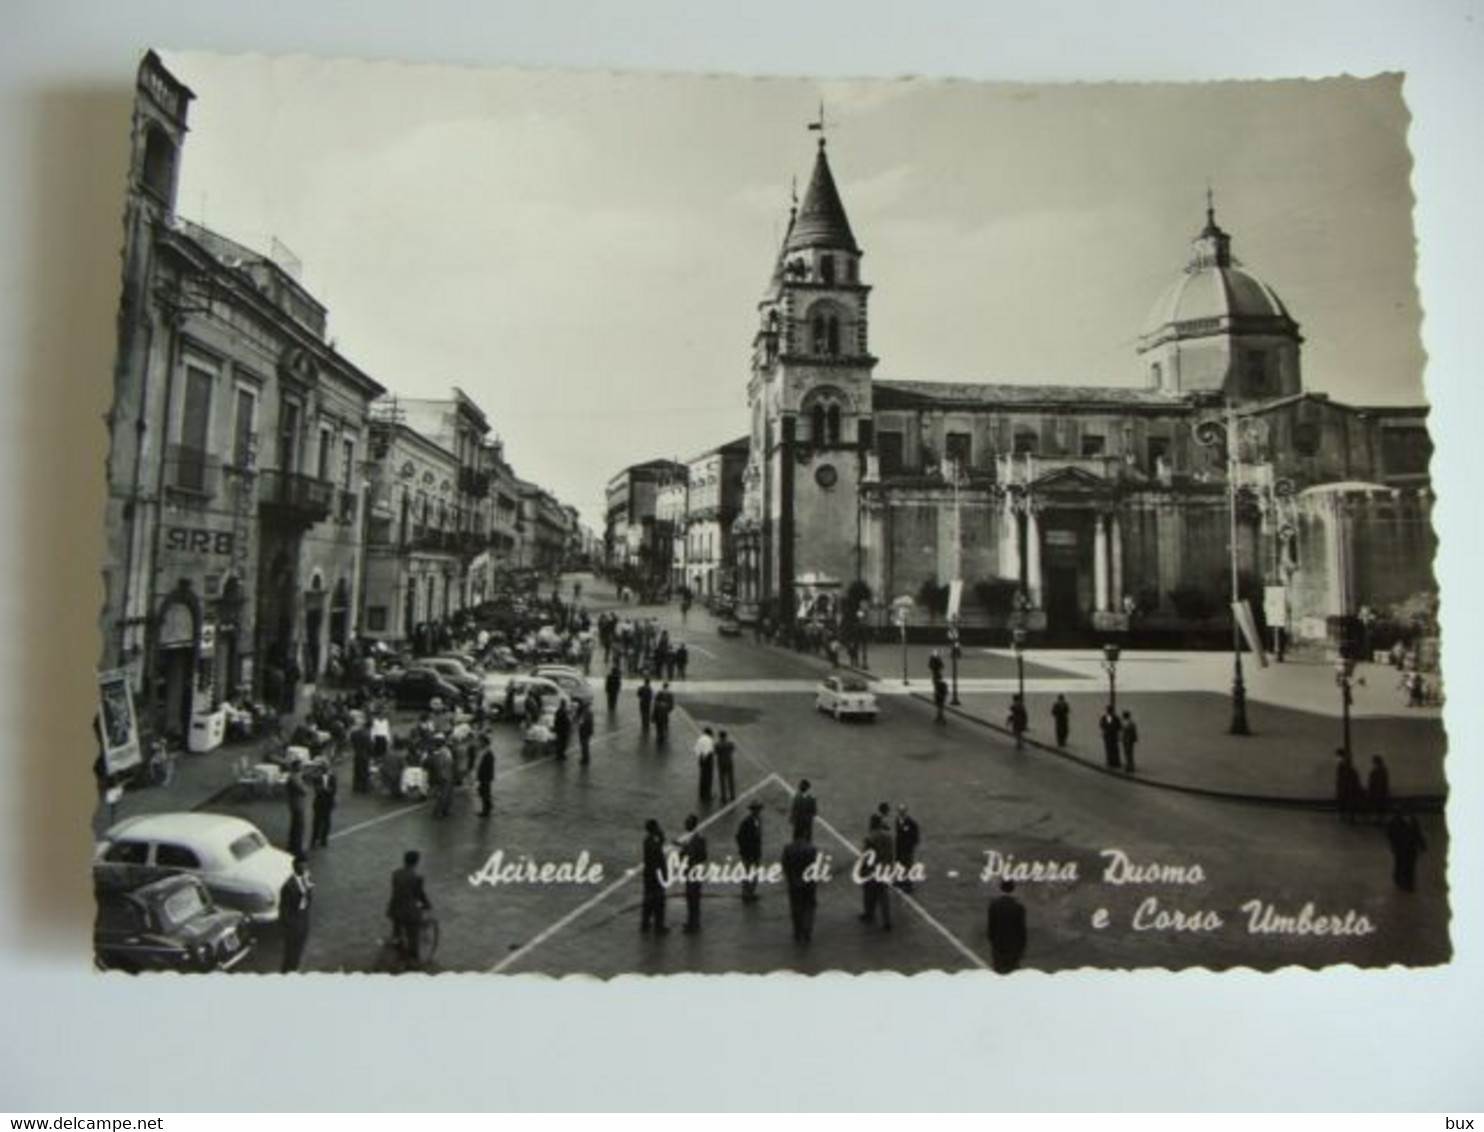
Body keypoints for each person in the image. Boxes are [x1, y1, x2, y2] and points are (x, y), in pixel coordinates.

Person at [387, 850, 433, 966]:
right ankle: (413, 960)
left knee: (397, 930)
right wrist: (427, 905)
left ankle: (397, 947)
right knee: (413, 935)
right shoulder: (417, 878)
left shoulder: (395, 873)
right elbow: (419, 895)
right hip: (408, 912)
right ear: (416, 862)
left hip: (394, 908)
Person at [781, 831, 820, 943]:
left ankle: (797, 929)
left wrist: (789, 877)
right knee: (809, 906)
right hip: (809, 882)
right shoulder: (811, 849)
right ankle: (807, 928)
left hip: (794, 882)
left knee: (796, 906)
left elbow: (785, 864)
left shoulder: (788, 848)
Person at [858, 814, 895, 929]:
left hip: (872, 869)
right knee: (883, 895)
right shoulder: (888, 837)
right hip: (885, 868)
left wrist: (861, 870)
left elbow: (866, 856)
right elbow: (891, 854)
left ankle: (869, 913)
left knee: (869, 892)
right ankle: (887, 921)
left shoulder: (870, 838)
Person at [279, 855, 313, 973]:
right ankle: (285, 973)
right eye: (302, 865)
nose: (305, 867)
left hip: (303, 920)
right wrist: (289, 927)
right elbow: (284, 910)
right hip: (293, 924)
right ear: (295, 867)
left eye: (306, 864)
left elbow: (308, 897)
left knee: (298, 951)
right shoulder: (288, 886)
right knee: (290, 953)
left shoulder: (306, 878)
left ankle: (293, 970)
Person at [987, 879, 1028, 974]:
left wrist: (993, 942)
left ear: (1001, 889)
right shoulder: (1018, 906)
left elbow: (991, 927)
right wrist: (1022, 948)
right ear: (1013, 890)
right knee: (1013, 973)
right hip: (1014, 946)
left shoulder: (994, 905)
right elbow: (1022, 930)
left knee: (998, 973)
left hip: (999, 945)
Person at [678, 814, 708, 934]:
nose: (686, 825)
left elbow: (701, 855)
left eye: (688, 823)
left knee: (693, 898)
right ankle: (692, 922)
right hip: (690, 871)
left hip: (694, 872)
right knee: (691, 898)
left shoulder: (698, 839)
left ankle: (694, 924)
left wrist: (688, 854)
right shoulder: (691, 838)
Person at [640, 819, 670, 935]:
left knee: (648, 900)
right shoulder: (652, 843)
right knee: (658, 901)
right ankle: (659, 926)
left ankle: (645, 923)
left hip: (649, 875)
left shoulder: (648, 841)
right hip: (655, 876)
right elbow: (657, 856)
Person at [1386, 808, 1427, 892]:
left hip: (1411, 848)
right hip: (1400, 848)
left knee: (1410, 866)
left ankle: (1409, 884)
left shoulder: (1414, 820)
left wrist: (1422, 845)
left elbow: (1417, 833)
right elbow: (1391, 836)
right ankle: (1399, 879)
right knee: (1401, 864)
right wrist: (1393, 846)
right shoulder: (1394, 822)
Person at [736, 801, 764, 903]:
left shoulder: (758, 820)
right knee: (748, 872)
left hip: (755, 851)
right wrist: (744, 849)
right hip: (748, 852)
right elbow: (739, 836)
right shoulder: (747, 822)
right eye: (756, 810)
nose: (758, 812)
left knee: (754, 873)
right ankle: (746, 893)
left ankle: (751, 892)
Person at [309, 760, 337, 848]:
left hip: (328, 802)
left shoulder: (332, 777)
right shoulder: (317, 777)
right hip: (319, 802)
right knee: (316, 821)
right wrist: (324, 789)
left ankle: (324, 839)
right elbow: (316, 788)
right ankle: (314, 839)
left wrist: (327, 790)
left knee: (327, 821)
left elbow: (334, 789)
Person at [894, 804, 921, 892]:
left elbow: (915, 836)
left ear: (905, 812)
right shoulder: (897, 820)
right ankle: (899, 881)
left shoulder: (911, 823)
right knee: (899, 863)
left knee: (907, 865)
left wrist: (911, 845)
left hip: (907, 848)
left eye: (902, 811)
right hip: (899, 847)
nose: (901, 813)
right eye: (899, 811)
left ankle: (909, 885)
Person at [285, 759, 308, 858]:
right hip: (298, 805)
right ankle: (297, 849)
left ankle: (292, 845)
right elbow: (304, 790)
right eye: (300, 766)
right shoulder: (295, 778)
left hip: (295, 804)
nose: (302, 767)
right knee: (299, 827)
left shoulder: (293, 777)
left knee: (295, 826)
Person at [1335, 751, 1363, 824]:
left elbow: (1341, 776)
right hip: (1347, 787)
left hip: (1347, 788)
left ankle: (1348, 816)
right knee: (1348, 802)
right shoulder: (1348, 767)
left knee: (1347, 802)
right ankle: (1349, 816)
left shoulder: (1343, 766)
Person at [694, 726, 716, 803]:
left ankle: (702, 793)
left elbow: (696, 750)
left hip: (701, 760)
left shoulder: (700, 739)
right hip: (707, 761)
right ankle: (708, 794)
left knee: (702, 777)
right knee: (708, 778)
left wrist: (700, 759)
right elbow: (709, 752)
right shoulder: (709, 740)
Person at [475, 736, 496, 817]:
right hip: (483, 776)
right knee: (482, 792)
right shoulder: (484, 751)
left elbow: (488, 768)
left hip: (485, 777)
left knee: (485, 793)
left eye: (480, 742)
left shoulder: (488, 753)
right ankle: (488, 806)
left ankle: (486, 811)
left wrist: (482, 777)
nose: (479, 743)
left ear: (484, 743)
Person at [1367, 755, 1391, 823]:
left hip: (1378, 792)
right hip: (1380, 792)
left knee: (1379, 806)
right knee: (1380, 807)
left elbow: (1372, 783)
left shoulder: (1375, 771)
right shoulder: (1383, 770)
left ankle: (1379, 819)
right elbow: (1385, 782)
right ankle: (1380, 819)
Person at [715, 730, 737, 803]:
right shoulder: (730, 744)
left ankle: (724, 796)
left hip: (721, 763)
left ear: (720, 736)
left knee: (722, 780)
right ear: (726, 736)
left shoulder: (718, 744)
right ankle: (732, 795)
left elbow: (716, 752)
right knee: (730, 779)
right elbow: (733, 749)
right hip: (729, 762)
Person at [1098, 705, 1122, 770]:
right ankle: (1111, 761)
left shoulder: (1113, 718)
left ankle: (1114, 762)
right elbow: (1101, 725)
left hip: (1112, 736)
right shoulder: (1107, 718)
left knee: (1113, 749)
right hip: (1109, 736)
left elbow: (1119, 726)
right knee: (1110, 749)